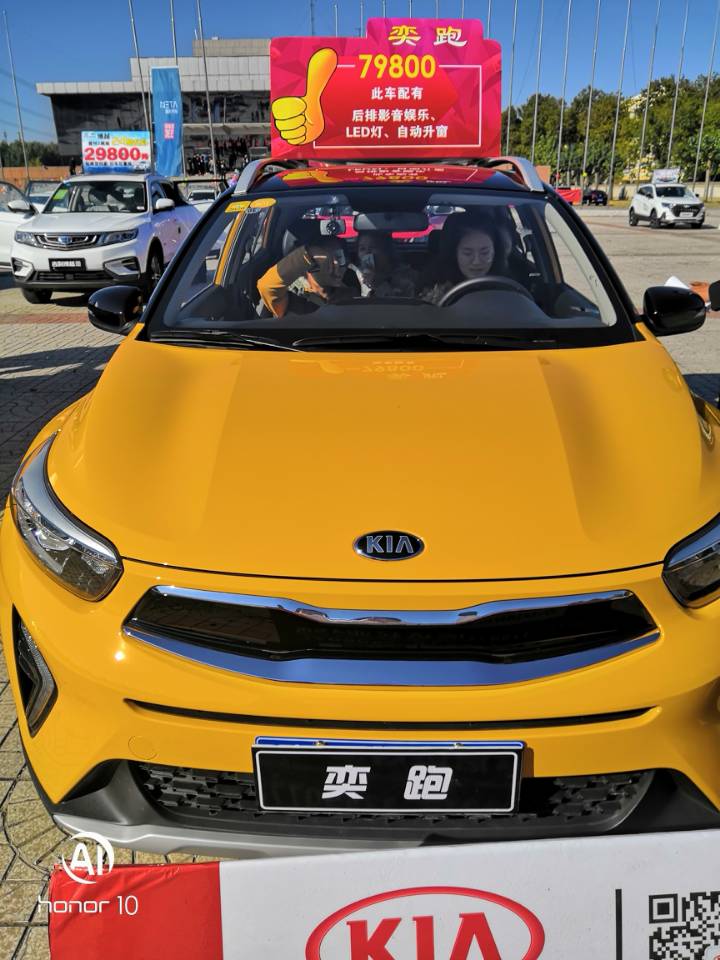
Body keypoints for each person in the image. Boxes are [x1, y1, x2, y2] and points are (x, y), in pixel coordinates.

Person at [257, 238, 359, 318]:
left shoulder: (350, 295)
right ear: (310, 264)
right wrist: (308, 254)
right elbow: (266, 286)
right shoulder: (292, 298)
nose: (337, 265)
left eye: (340, 257)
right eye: (328, 261)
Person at [421, 212, 506, 305]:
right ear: (454, 252)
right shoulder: (434, 286)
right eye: (467, 253)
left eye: (485, 253)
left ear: (495, 251)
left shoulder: (507, 284)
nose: (476, 261)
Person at [351, 231, 416, 298]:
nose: (367, 253)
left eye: (373, 247)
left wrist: (379, 284)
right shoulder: (354, 276)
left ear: (386, 251)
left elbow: (401, 302)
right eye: (362, 249)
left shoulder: (405, 276)